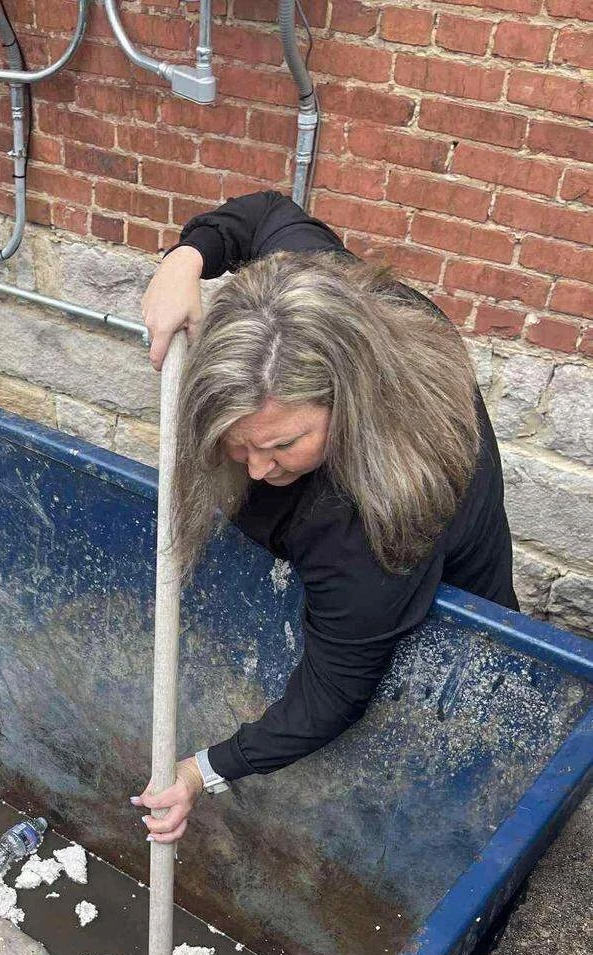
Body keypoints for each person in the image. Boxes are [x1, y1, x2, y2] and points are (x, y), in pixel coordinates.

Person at [131, 190, 517, 845]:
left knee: (446, 784)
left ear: (347, 400)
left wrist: (204, 771)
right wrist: (183, 261)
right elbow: (260, 214)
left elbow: (332, 694)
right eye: (239, 441)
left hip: (454, 621)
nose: (255, 468)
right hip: (366, 571)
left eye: (283, 444)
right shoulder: (311, 296)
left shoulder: (372, 519)